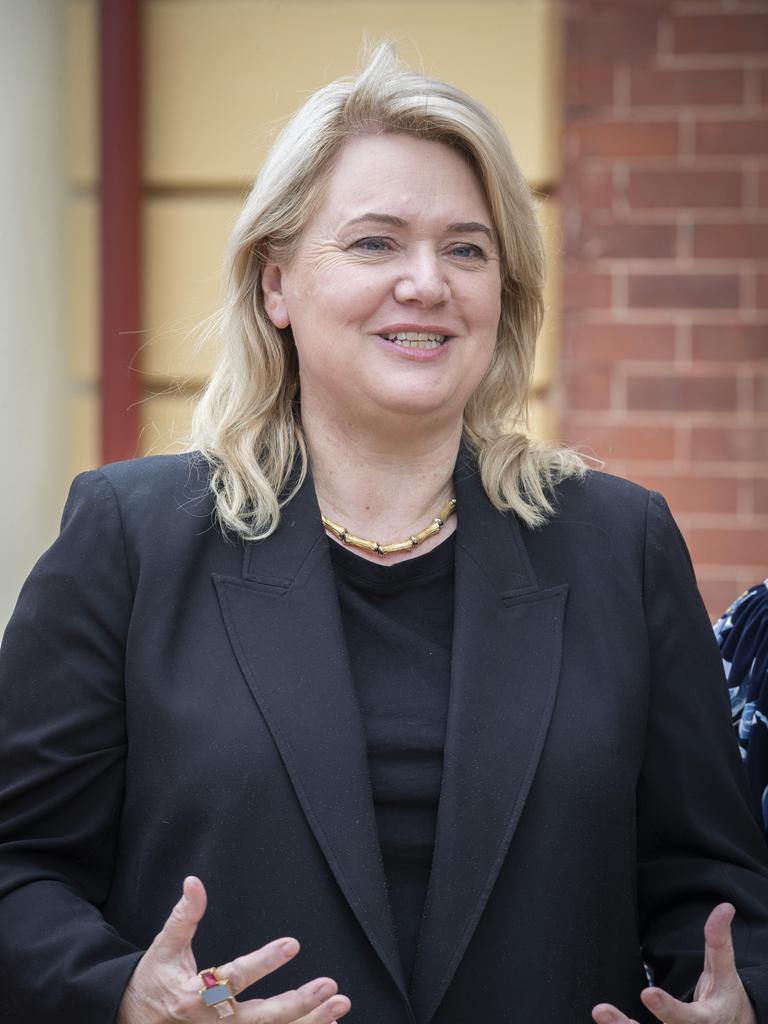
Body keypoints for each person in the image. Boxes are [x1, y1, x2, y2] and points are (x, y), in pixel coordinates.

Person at [1, 42, 767, 1024]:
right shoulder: (130, 539)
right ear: (275, 285)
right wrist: (121, 996)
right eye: (374, 243)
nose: (426, 282)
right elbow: (18, 869)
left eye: (466, 247)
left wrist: (735, 997)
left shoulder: (622, 545)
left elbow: (717, 888)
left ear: (504, 292)